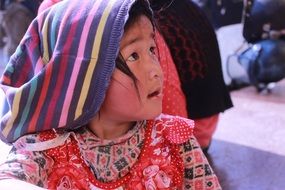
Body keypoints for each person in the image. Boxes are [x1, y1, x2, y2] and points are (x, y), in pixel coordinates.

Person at [0, 0, 221, 189]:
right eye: (134, 56)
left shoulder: (176, 140)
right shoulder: (45, 148)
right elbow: (8, 180)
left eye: (152, 50)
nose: (155, 70)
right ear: (83, 76)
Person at [152, 0, 233, 153]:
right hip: (206, 128)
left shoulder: (149, 19)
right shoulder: (187, 6)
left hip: (186, 140)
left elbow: (171, 102)